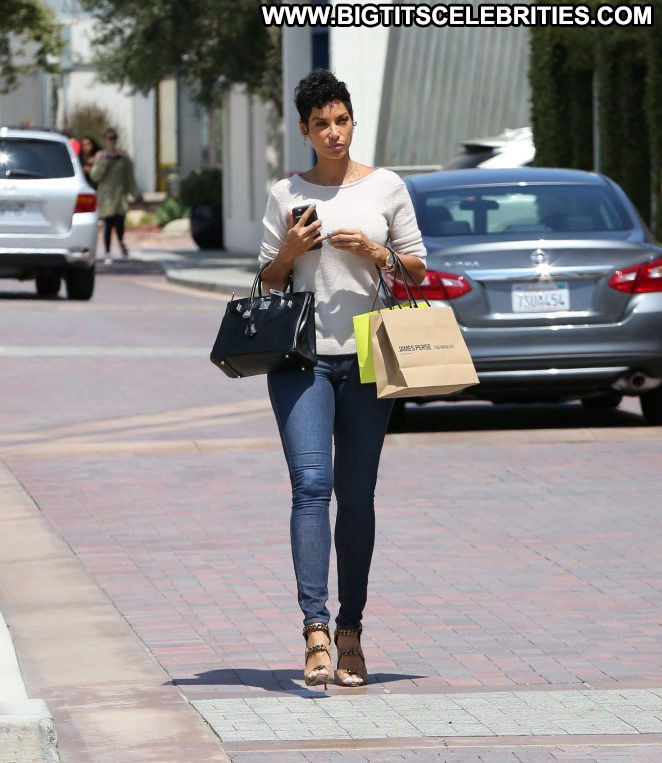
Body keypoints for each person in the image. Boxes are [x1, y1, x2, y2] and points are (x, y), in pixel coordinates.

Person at [259, 69, 426, 688]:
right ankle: (315, 630)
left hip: (368, 358)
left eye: (341, 121)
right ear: (304, 131)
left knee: (356, 497)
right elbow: (267, 282)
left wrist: (375, 253)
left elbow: (416, 268)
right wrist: (290, 250)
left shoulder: (386, 187)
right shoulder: (285, 193)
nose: (333, 132)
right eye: (320, 124)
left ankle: (351, 629)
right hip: (300, 360)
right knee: (311, 486)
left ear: (353, 122)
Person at [90, 128, 140, 264]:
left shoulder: (123, 156)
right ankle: (107, 251)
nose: (112, 141)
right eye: (109, 138)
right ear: (105, 139)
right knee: (107, 225)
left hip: (120, 197)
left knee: (120, 224)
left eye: (114, 138)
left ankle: (121, 243)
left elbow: (129, 177)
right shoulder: (100, 156)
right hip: (106, 197)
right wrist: (105, 162)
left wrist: (135, 193)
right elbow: (95, 176)